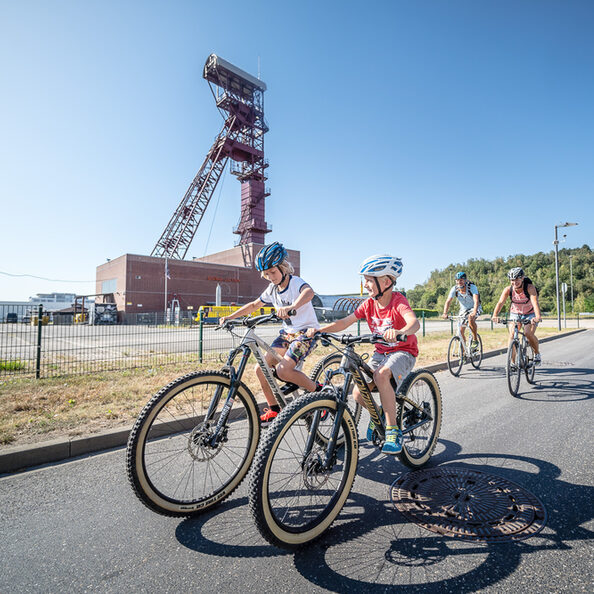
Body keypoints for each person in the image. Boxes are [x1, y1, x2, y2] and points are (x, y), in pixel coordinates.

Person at [308, 254, 419, 455]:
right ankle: (379, 416)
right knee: (359, 393)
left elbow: (414, 322)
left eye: (369, 280)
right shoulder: (368, 304)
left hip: (403, 351)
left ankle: (393, 429)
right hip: (381, 353)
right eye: (365, 280)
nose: (365, 284)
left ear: (386, 281)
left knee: (381, 375)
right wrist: (321, 330)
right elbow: (345, 322)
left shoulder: (398, 301)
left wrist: (401, 332)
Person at [220, 242, 321, 424]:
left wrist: (292, 306)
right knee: (260, 369)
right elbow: (254, 305)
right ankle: (274, 409)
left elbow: (309, 292)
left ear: (283, 268)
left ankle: (319, 392)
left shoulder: (295, 282)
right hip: (287, 335)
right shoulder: (272, 289)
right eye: (266, 274)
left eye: (272, 272)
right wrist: (229, 316)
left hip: (306, 334)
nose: (270, 277)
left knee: (283, 371)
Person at [492, 267, 542, 365]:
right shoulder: (508, 290)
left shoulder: (530, 288)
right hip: (515, 314)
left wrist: (537, 317)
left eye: (517, 279)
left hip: (529, 314)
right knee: (512, 335)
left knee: (528, 333)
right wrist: (495, 315)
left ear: (522, 278)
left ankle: (537, 353)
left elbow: (535, 303)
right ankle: (512, 362)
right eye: (512, 280)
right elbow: (500, 303)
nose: (515, 282)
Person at [442, 271, 482, 349]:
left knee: (471, 319)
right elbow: (448, 301)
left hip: (475, 307)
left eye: (461, 280)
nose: (459, 282)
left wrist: (474, 312)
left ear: (465, 280)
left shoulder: (472, 287)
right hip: (464, 310)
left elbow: (476, 301)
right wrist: (445, 313)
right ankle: (463, 355)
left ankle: (475, 340)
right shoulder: (455, 289)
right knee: (460, 331)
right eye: (457, 280)